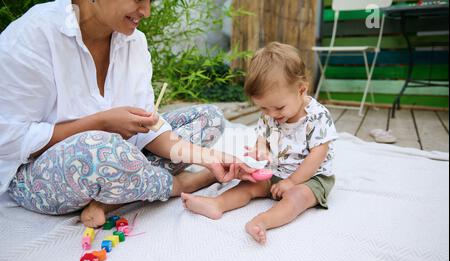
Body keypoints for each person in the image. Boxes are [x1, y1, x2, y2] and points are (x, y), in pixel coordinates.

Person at [0, 0, 255, 228]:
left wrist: (209, 158)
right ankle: (180, 185)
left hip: (116, 156)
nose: (146, 11)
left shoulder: (134, 42)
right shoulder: (34, 35)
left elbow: (149, 128)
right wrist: (101, 123)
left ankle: (114, 195)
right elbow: (10, 140)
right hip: (34, 174)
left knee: (209, 119)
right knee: (103, 148)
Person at [182, 42, 338, 244]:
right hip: (277, 172)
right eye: (264, 109)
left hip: (312, 178)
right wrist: (261, 148)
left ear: (301, 90)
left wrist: (292, 182)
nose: (272, 115)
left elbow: (318, 154)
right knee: (247, 185)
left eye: (279, 108)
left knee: (298, 197)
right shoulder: (271, 113)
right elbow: (263, 136)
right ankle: (217, 204)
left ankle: (262, 221)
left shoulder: (317, 116)